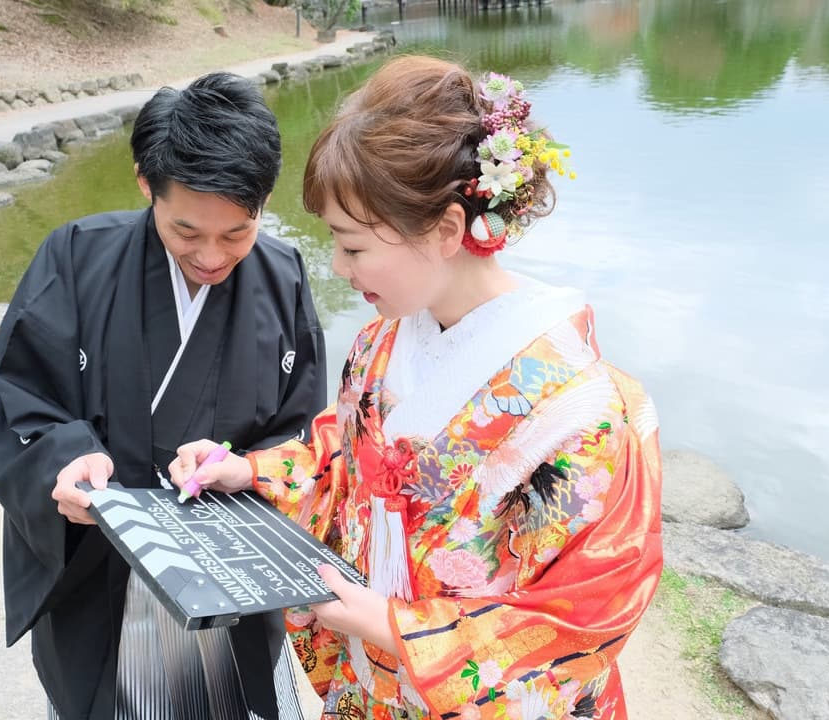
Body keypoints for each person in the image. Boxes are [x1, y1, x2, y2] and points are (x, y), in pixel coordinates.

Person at [171, 57, 663, 720]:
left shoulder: (586, 410)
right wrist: (250, 470)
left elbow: (589, 613)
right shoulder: (383, 342)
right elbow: (340, 462)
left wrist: (399, 629)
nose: (339, 268)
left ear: (445, 232)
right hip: (373, 685)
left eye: (352, 246)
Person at [0, 72, 327, 720]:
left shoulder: (283, 276)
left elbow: (301, 428)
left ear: (263, 201)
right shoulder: (76, 257)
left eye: (237, 233)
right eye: (187, 231)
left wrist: (245, 470)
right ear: (147, 183)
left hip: (231, 578)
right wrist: (67, 459)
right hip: (104, 573)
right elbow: (23, 398)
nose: (211, 256)